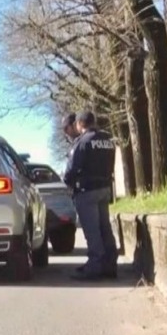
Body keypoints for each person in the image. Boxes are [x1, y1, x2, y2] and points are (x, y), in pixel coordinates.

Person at [63, 111, 119, 280]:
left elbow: (72, 170)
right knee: (105, 228)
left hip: (87, 191)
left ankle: (95, 266)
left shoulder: (82, 142)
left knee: (92, 230)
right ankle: (110, 264)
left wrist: (69, 182)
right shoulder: (108, 140)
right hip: (104, 188)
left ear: (80, 124)